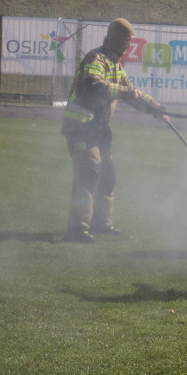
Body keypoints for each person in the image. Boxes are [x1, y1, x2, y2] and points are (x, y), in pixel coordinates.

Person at [61, 19, 167, 243]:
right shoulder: (96, 58)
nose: (128, 45)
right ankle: (77, 228)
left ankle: (102, 223)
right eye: (126, 40)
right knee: (89, 172)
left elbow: (132, 93)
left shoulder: (116, 64)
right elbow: (93, 86)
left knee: (108, 176)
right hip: (81, 126)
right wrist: (125, 90)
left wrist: (156, 108)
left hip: (99, 128)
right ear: (117, 39)